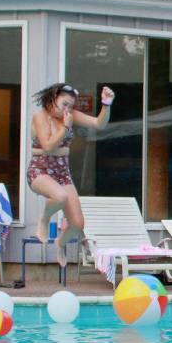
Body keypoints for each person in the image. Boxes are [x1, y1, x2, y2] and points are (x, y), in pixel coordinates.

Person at [27, 82, 115, 266]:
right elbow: (48, 146)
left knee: (77, 224)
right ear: (52, 99)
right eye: (64, 104)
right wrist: (65, 128)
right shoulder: (40, 116)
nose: (67, 109)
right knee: (60, 196)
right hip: (40, 170)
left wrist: (106, 105)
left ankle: (60, 242)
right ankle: (44, 218)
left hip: (62, 172)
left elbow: (99, 124)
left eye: (70, 106)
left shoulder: (70, 116)